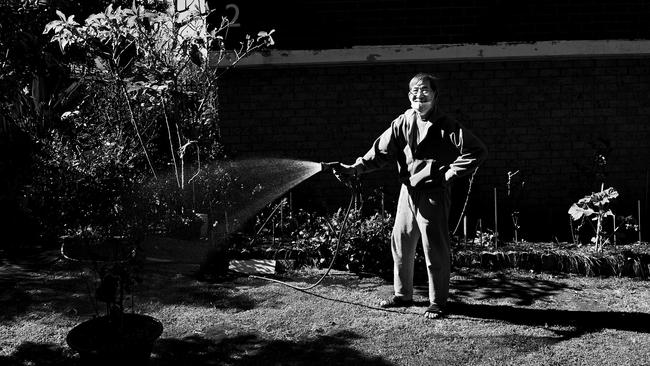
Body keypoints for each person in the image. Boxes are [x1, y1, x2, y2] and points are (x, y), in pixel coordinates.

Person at [333, 72, 488, 319]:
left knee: (433, 248)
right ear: (409, 96)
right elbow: (380, 152)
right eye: (415, 91)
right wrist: (355, 168)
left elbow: (476, 150)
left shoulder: (447, 125)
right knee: (401, 244)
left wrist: (450, 173)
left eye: (425, 90)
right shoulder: (403, 122)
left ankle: (437, 302)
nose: (420, 95)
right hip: (408, 192)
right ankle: (402, 295)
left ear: (435, 95)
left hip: (433, 193)